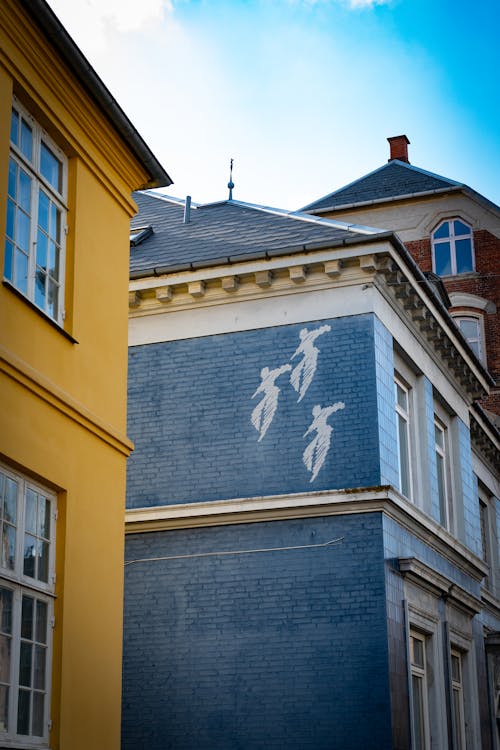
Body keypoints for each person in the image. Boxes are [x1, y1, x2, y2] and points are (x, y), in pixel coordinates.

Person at [303, 401, 345, 481]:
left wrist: (339, 406)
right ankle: (311, 470)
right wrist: (305, 435)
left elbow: (332, 408)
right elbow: (310, 429)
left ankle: (315, 472)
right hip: (319, 435)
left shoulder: (324, 412)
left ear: (318, 409)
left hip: (324, 434)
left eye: (315, 409)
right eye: (313, 411)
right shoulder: (315, 419)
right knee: (307, 453)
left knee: (320, 453)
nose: (314, 412)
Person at [251, 363, 292, 442]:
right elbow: (258, 391)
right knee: (256, 414)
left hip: (272, 395)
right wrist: (253, 396)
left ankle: (263, 431)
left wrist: (287, 368)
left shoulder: (271, 375)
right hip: (268, 396)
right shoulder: (264, 382)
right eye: (262, 374)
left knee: (268, 412)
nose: (263, 375)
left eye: (264, 373)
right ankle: (261, 430)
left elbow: (280, 371)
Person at [290, 324, 331, 402]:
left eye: (301, 335)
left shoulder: (309, 336)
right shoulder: (303, 342)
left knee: (307, 374)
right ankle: (298, 390)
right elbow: (297, 351)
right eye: (300, 335)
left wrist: (325, 328)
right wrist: (292, 358)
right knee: (295, 373)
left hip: (311, 357)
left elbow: (318, 331)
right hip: (306, 358)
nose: (301, 337)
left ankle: (302, 392)